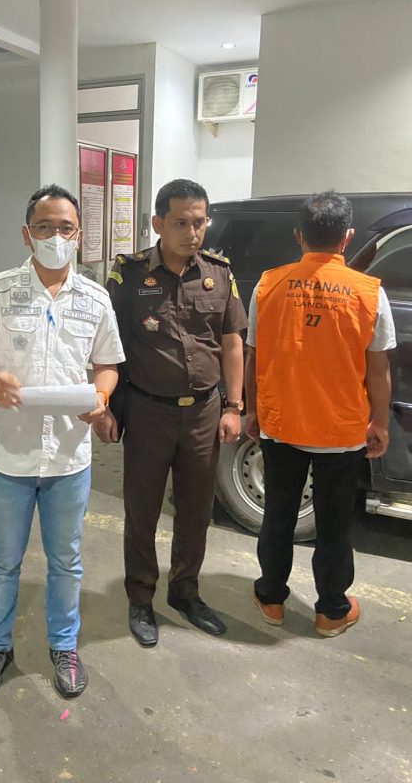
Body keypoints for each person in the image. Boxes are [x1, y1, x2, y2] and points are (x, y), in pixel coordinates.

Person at [0, 184, 125, 700]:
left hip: (68, 458)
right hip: (8, 455)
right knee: (2, 562)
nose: (55, 237)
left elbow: (108, 364)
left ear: (79, 235)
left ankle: (64, 646)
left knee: (66, 562)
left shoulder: (96, 299)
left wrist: (101, 397)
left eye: (65, 228)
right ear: (27, 234)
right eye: (44, 227)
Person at [94, 178, 247, 647]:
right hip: (147, 411)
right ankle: (141, 598)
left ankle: (185, 592)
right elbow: (106, 345)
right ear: (158, 223)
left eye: (199, 222)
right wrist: (104, 405)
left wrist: (234, 406)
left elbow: (232, 343)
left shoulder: (219, 273)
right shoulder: (128, 275)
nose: (192, 232)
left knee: (196, 511)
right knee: (142, 511)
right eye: (181, 222)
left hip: (203, 413)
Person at [246, 191, 395, 636]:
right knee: (333, 525)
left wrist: (253, 410)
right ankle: (331, 610)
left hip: (281, 425)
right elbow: (379, 369)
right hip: (341, 432)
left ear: (299, 236)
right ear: (347, 237)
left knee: (278, 516)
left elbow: (254, 356)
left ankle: (271, 598)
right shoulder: (369, 293)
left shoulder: (268, 285)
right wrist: (380, 423)